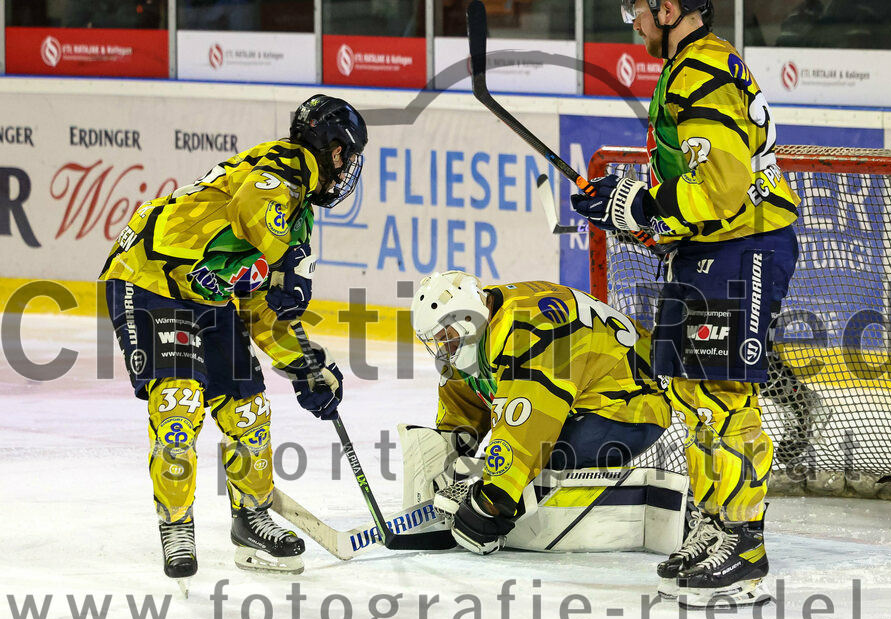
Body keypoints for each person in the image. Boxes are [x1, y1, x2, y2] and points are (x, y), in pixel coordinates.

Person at [571, 0, 801, 607]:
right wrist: (626, 207)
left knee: (724, 393)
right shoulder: (687, 67)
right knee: (693, 391)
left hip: (742, 244)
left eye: (637, 9)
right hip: (711, 245)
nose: (634, 22)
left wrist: (642, 205)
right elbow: (691, 190)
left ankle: (743, 540)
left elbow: (722, 188)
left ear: (669, 7)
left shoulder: (703, 70)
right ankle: (714, 521)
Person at [100, 95, 367, 583]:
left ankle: (251, 519)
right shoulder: (284, 167)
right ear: (330, 149)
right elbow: (251, 211)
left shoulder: (297, 209)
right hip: (149, 279)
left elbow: (262, 304)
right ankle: (177, 524)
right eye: (347, 155)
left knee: (247, 409)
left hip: (207, 294)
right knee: (180, 403)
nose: (347, 168)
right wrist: (286, 260)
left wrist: (304, 365)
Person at [404, 271, 686, 556]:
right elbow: (465, 400)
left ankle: (622, 513)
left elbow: (530, 424)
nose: (444, 347)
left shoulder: (530, 329)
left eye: (447, 337)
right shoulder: (482, 321)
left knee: (541, 461)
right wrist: (449, 454)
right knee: (516, 463)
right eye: (437, 340)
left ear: (466, 321)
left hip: (630, 402)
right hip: (580, 391)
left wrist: (493, 501)